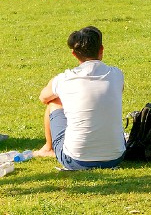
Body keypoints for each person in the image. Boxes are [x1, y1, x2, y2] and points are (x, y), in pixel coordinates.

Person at [32, 26, 126, 169]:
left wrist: (55, 83)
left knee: (53, 102)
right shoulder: (117, 74)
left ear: (74, 54)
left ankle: (48, 148)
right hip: (116, 157)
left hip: (76, 160)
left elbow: (43, 98)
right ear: (101, 49)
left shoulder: (64, 79)